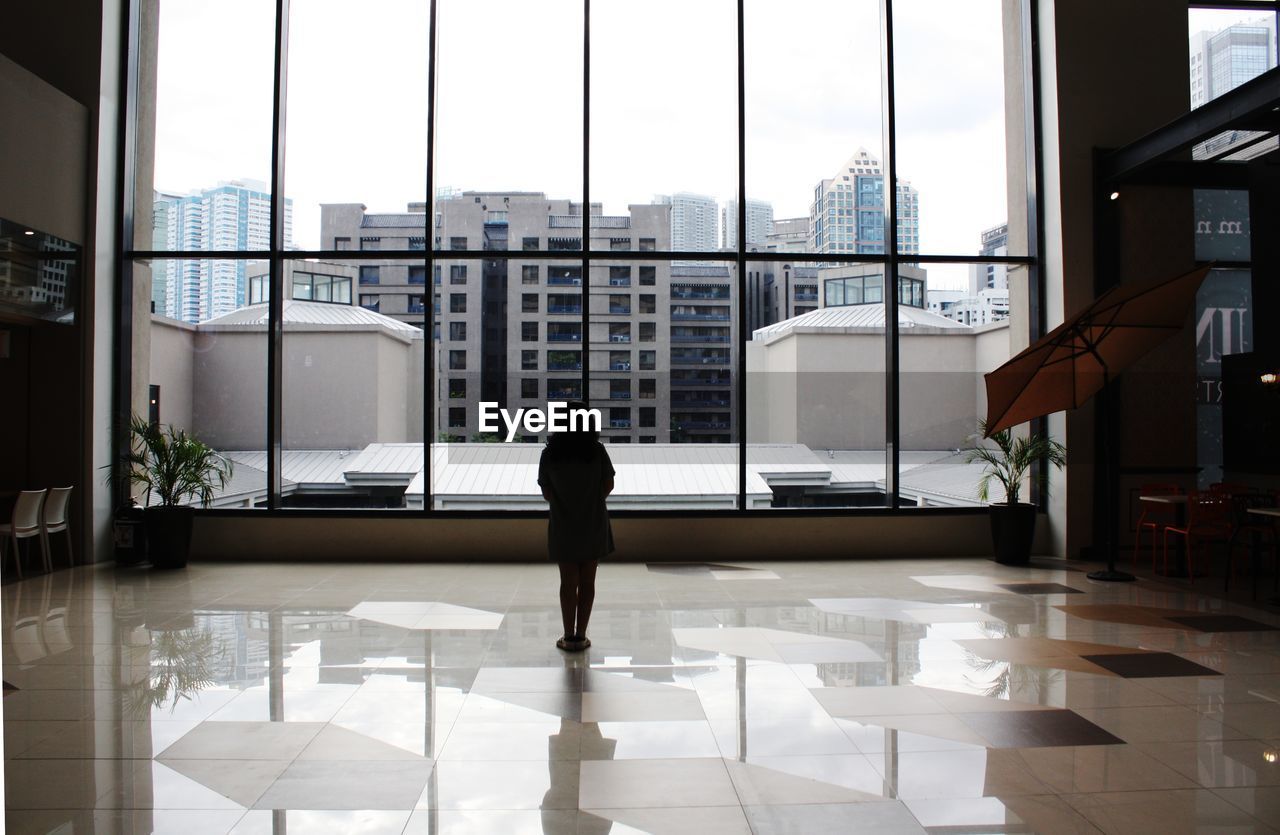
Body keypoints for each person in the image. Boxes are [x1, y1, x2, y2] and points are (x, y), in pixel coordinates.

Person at [538, 400, 615, 652]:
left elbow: (547, 492)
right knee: (588, 581)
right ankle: (581, 634)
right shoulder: (597, 451)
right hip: (592, 520)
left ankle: (568, 635)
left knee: (567, 581)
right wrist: (590, 499)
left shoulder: (550, 453)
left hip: (563, 523)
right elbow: (608, 486)